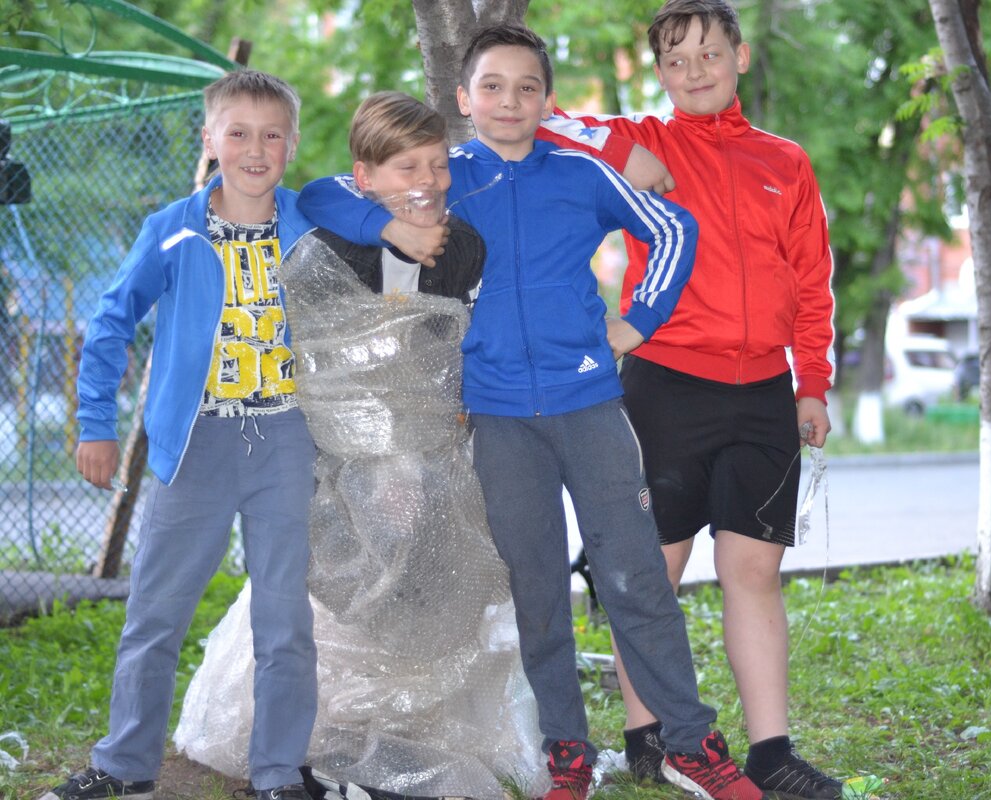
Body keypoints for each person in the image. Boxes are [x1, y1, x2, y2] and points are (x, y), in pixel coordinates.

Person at [298, 23, 763, 800]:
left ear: (546, 100)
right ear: (463, 99)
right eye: (491, 86)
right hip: (498, 417)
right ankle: (567, 753)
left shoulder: (581, 174)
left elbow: (673, 225)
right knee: (537, 587)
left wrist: (636, 323)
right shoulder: (447, 180)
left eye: (525, 87)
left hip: (590, 405)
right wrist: (392, 225)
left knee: (636, 576)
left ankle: (691, 743)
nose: (508, 101)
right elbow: (318, 194)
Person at [175, 93, 544, 800]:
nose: (429, 179)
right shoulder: (334, 243)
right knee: (347, 585)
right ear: (365, 177)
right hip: (346, 459)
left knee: (433, 577)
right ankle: (332, 724)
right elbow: (319, 348)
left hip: (433, 449)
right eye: (409, 166)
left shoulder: (463, 245)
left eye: (438, 164)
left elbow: (454, 340)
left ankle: (421, 721)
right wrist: (373, 454)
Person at [539, 2, 842, 797]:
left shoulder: (787, 161)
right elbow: (540, 118)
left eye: (711, 52)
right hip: (665, 384)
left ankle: (771, 752)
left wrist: (811, 382)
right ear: (660, 73)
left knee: (753, 572)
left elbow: (813, 281)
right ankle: (651, 737)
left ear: (741, 57)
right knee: (652, 571)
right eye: (677, 59)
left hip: (765, 394)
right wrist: (623, 154)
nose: (696, 69)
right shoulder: (646, 145)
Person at [54, 69, 318, 800]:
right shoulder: (172, 226)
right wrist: (95, 425)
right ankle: (123, 764)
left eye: (271, 134)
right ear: (210, 139)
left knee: (284, 621)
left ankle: (276, 775)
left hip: (287, 441)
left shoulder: (313, 226)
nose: (254, 148)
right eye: (238, 132)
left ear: (292, 145)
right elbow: (110, 324)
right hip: (193, 443)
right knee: (155, 614)